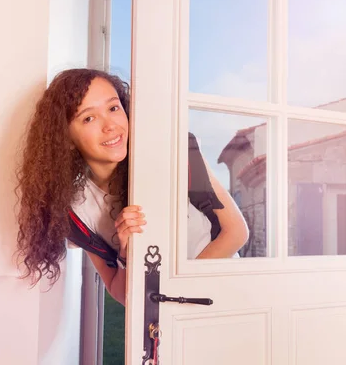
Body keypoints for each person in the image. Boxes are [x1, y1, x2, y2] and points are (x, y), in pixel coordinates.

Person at [15, 68, 248, 306]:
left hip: (230, 300)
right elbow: (120, 293)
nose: (110, 126)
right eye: (88, 118)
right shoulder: (76, 211)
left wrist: (177, 293)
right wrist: (127, 252)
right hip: (167, 321)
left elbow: (237, 232)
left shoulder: (175, 154)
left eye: (113, 108)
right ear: (66, 139)